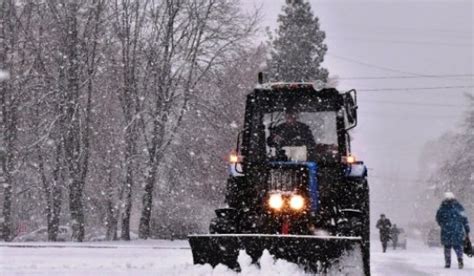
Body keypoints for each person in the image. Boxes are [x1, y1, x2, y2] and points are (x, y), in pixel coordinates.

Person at [436, 192, 470, 269]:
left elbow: (438, 218)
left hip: (446, 231)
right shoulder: (459, 207)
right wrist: (467, 229)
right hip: (457, 231)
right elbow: (464, 219)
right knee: (458, 247)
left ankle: (448, 263)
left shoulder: (442, 208)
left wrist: (442, 224)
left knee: (447, 247)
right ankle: (460, 259)